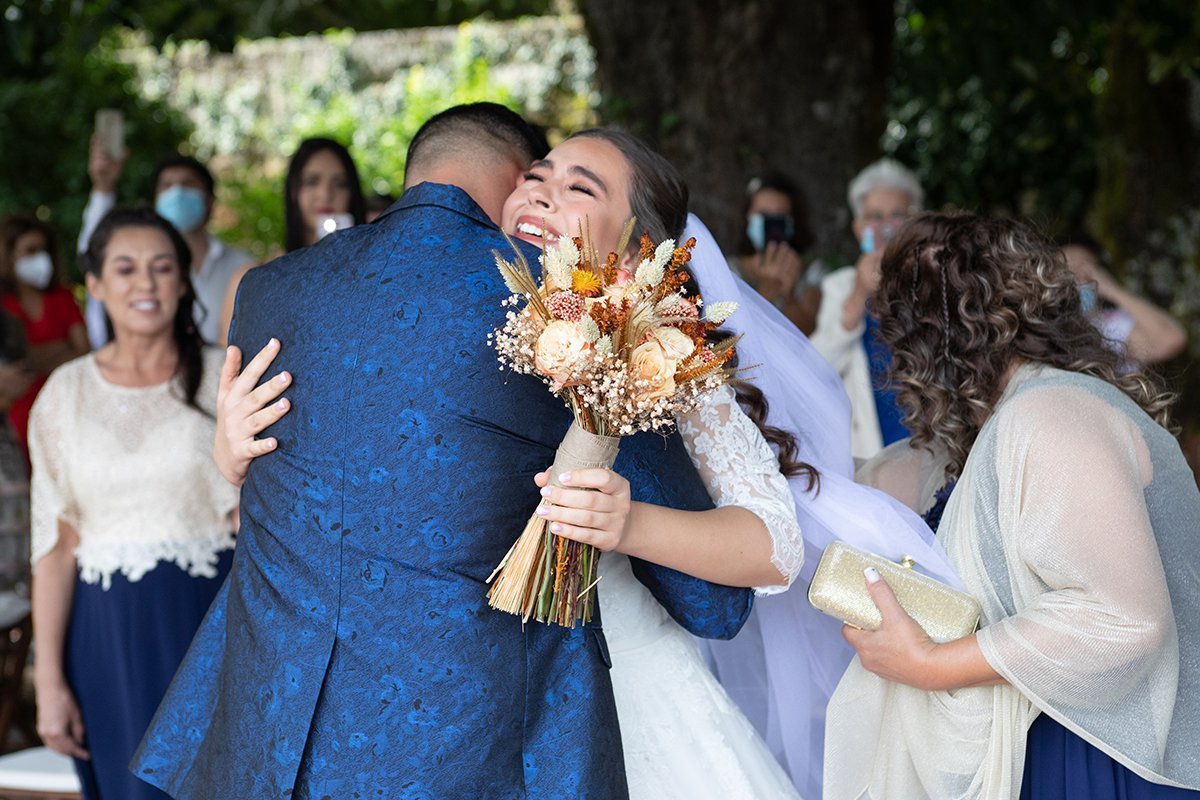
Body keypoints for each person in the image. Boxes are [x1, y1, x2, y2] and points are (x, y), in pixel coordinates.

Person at [132, 104, 754, 800]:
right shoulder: (563, 308)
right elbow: (713, 603)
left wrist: (230, 462)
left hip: (271, 733)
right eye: (545, 180)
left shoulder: (270, 291)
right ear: (520, 182)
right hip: (462, 742)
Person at [824, 212, 1200, 799]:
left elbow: (1121, 618)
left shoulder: (1048, 414)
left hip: (1097, 756)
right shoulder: (1017, 416)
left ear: (922, 341)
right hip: (1067, 733)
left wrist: (928, 664)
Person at [29, 207, 238, 800]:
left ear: (183, 281)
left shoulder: (224, 377)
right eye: (125, 268)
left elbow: (258, 518)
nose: (144, 284)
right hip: (102, 638)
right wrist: (48, 682)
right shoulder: (62, 394)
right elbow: (54, 544)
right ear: (93, 284)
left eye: (161, 267)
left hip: (208, 624)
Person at [80, 142, 255, 346]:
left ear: (209, 201)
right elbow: (95, 252)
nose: (177, 192)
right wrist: (103, 188)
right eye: (167, 185)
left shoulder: (243, 268)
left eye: (188, 184)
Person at [810, 158, 924, 460]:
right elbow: (818, 368)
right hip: (871, 455)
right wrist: (859, 293)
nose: (886, 228)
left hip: (932, 443)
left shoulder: (933, 282)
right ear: (859, 228)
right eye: (874, 216)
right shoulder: (840, 286)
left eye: (897, 216)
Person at [215, 137, 367, 345]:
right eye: (312, 182)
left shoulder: (372, 275)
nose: (325, 194)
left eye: (339, 184)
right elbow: (227, 364)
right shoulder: (252, 280)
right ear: (294, 190)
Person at [0, 215, 89, 462]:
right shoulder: (4, 303)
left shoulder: (62, 296)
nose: (40, 257)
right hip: (15, 415)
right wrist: (63, 349)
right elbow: (16, 365)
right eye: (30, 250)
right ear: (9, 254)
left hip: (65, 409)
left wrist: (31, 357)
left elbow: (84, 353)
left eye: (44, 250)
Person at [1060, 233, 1186, 367]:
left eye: (1083, 271)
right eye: (1065, 271)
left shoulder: (1111, 327)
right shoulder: (1041, 324)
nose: (1075, 280)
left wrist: (1112, 290)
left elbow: (1170, 339)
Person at [734, 173, 822, 334]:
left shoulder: (811, 270)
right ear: (747, 217)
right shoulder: (729, 270)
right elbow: (736, 331)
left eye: (779, 216)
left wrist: (789, 295)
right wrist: (768, 287)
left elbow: (808, 333)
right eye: (763, 215)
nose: (771, 223)